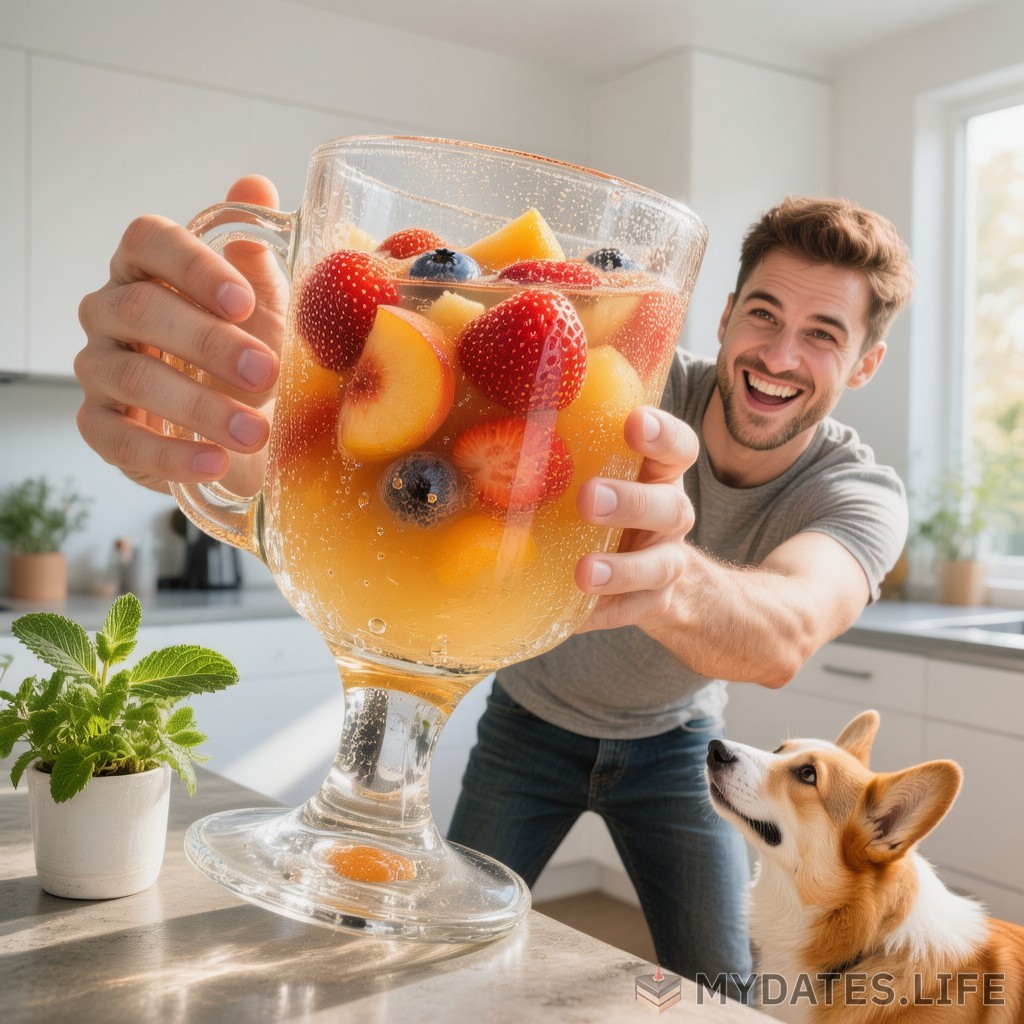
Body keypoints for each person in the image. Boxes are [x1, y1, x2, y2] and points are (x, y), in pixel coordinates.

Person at [75, 179, 912, 993]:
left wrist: (667, 576)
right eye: (764, 314)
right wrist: (256, 425)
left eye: (824, 335)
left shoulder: (858, 491)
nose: (780, 354)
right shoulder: (619, 366)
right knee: (419, 940)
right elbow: (421, 468)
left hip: (676, 745)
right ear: (726, 316)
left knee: (721, 980)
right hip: (530, 721)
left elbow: (787, 632)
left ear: (866, 363)